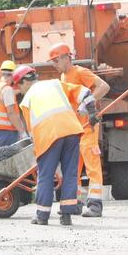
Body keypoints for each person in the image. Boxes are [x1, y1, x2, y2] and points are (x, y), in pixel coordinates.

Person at [13, 65, 98, 226]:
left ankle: (42, 216)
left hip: (49, 136)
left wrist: (38, 154)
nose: (19, 90)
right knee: (71, 174)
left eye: (18, 85)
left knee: (46, 175)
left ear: (25, 81)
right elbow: (85, 93)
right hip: (71, 131)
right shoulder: (56, 84)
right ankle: (66, 216)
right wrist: (92, 113)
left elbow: (32, 132)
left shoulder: (26, 100)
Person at [49, 43, 110, 218]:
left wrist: (87, 101)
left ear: (67, 57)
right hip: (73, 127)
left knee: (91, 164)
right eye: (52, 61)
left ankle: (95, 205)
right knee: (73, 167)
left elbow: (103, 87)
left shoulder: (80, 72)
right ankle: (74, 203)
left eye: (56, 60)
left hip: (87, 126)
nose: (54, 64)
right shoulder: (63, 76)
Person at [0, 60, 26, 147]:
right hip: (7, 133)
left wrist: (21, 90)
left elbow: (8, 94)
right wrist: (22, 131)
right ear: (14, 75)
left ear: (0, 74)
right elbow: (11, 113)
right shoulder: (7, 89)